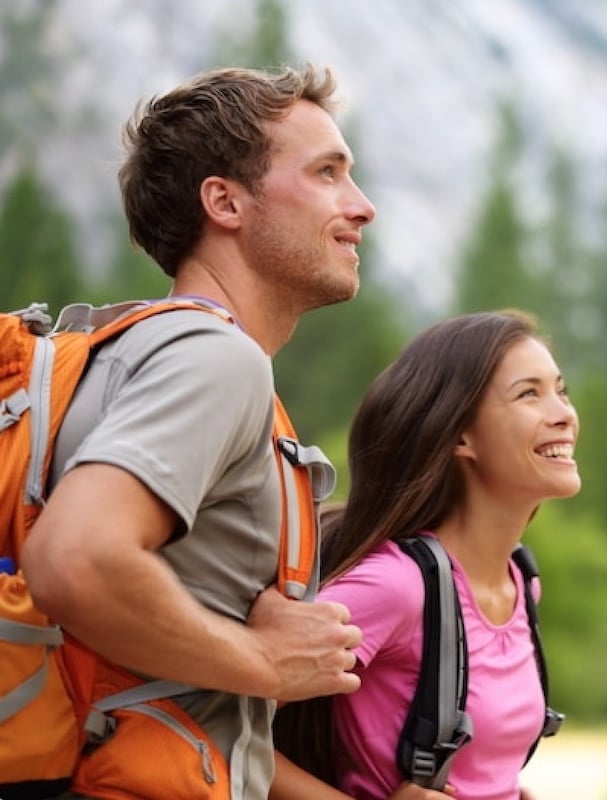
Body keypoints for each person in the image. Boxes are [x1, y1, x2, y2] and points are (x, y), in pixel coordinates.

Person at [20, 63, 375, 799]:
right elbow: (75, 559)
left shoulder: (127, 351)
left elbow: (192, 708)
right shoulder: (217, 358)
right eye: (328, 173)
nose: (361, 205)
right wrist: (264, 661)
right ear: (226, 201)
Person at [270, 309, 581, 800]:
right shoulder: (397, 588)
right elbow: (223, 722)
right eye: (529, 394)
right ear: (461, 436)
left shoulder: (522, 580)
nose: (564, 413)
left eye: (560, 390)